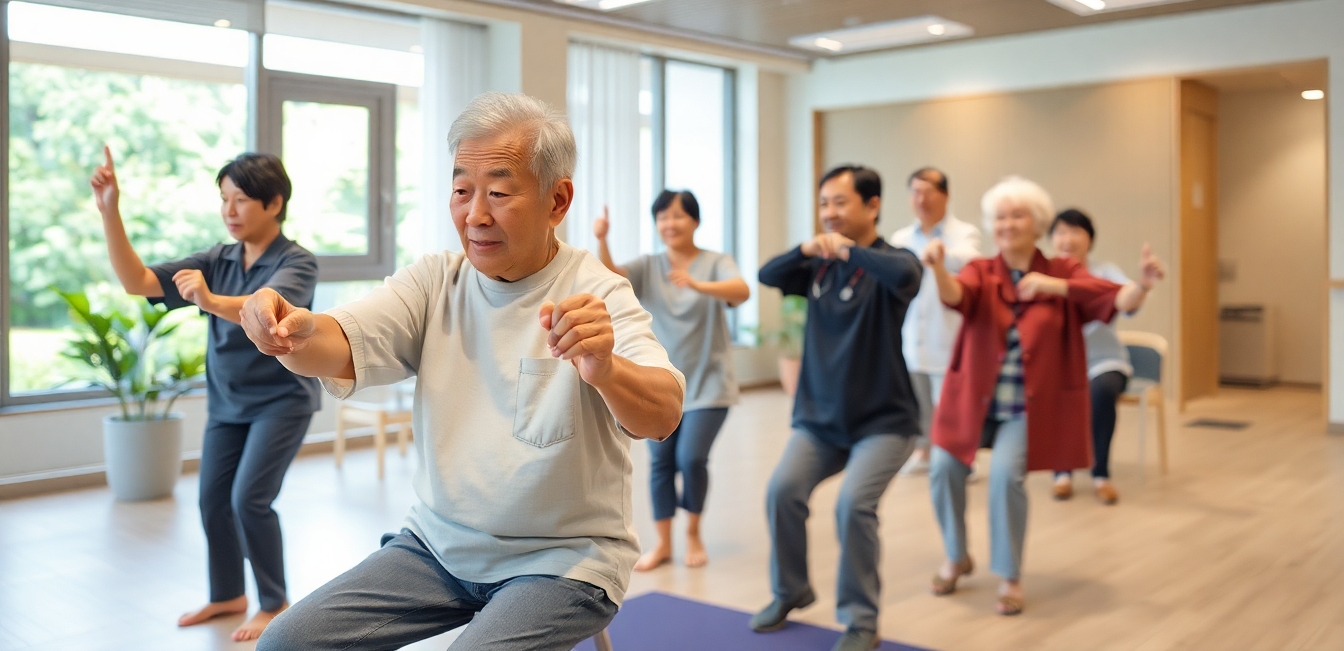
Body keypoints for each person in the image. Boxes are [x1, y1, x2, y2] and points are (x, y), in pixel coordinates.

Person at [244, 92, 685, 651]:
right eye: (461, 192)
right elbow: (339, 340)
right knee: (285, 644)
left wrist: (607, 369)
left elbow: (664, 413)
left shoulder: (596, 291)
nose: (475, 214)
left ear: (558, 200)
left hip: (562, 559)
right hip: (436, 546)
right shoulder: (435, 282)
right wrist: (291, 329)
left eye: (499, 194)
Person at [90, 149, 320, 642]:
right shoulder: (217, 259)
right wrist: (110, 209)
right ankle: (227, 595)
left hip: (281, 402)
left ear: (274, 203)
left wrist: (209, 300)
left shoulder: (296, 261)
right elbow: (137, 282)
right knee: (212, 499)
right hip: (229, 402)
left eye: (241, 200)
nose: (229, 211)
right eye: (224, 200)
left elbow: (267, 305)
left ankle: (274, 602)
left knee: (249, 500)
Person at [922, 176, 1123, 616]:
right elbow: (957, 295)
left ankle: (1009, 573)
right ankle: (957, 555)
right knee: (942, 469)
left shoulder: (1062, 270)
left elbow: (1112, 297)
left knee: (1004, 479)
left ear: (1038, 224)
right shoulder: (980, 268)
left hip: (1022, 407)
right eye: (1000, 216)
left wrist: (1058, 288)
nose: (1007, 224)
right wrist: (937, 269)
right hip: (973, 399)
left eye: (1017, 215)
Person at [752, 165, 923, 651]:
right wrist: (807, 248)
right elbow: (769, 274)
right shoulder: (817, 266)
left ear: (872, 206)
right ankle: (791, 590)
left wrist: (850, 250)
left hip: (884, 424)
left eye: (840, 202)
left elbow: (908, 274)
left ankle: (861, 619)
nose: (829, 213)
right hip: (821, 422)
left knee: (853, 507)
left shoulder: (892, 261)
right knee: (782, 492)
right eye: (824, 203)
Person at [594, 190, 750, 571]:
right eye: (662, 217)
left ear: (695, 221)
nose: (669, 224)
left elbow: (741, 291)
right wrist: (602, 239)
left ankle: (693, 533)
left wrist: (698, 285)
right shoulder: (650, 266)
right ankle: (663, 543)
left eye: (678, 216)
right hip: (664, 383)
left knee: (691, 458)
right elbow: (611, 276)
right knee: (662, 461)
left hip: (710, 383)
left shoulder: (715, 262)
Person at [1048, 209, 1166, 504]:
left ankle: (1100, 473)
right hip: (1064, 363)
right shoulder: (1044, 274)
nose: (1068, 239)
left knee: (1101, 391)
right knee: (1058, 390)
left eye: (1076, 232)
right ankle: (1062, 472)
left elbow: (1126, 301)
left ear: (1090, 239)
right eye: (1061, 232)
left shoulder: (1104, 272)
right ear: (1051, 239)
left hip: (1106, 361)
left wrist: (1143, 285)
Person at [889, 168, 981, 476]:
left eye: (928, 191)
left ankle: (963, 458)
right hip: (912, 332)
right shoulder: (901, 239)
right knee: (918, 400)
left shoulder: (963, 234)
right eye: (915, 191)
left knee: (952, 403)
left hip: (949, 334)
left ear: (945, 195)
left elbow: (971, 262)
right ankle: (924, 450)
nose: (921, 199)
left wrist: (940, 254)